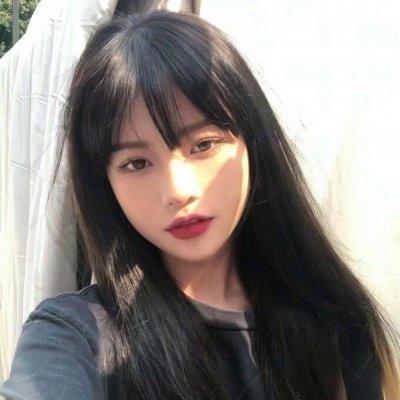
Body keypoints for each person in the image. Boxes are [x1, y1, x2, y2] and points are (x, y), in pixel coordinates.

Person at [1, 10, 399, 400]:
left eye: (203, 145)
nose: (179, 190)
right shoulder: (75, 336)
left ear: (252, 142)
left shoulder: (337, 324)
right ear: (105, 182)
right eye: (136, 163)